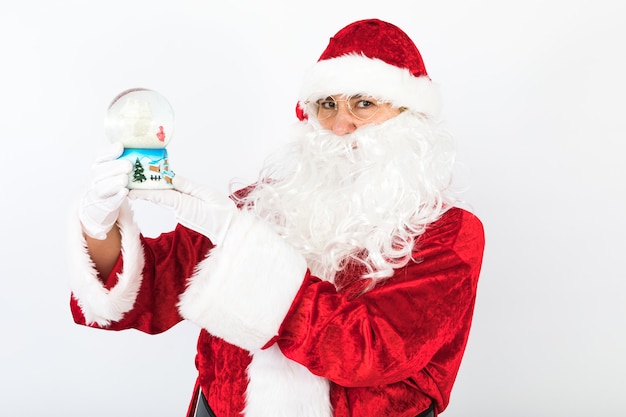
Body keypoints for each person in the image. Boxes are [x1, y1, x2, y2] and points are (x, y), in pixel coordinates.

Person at [69, 19, 485, 417]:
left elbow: (370, 350)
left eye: (363, 103)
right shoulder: (264, 202)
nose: (340, 125)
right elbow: (150, 288)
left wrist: (240, 241)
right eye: (327, 104)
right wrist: (99, 224)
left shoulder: (450, 233)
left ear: (410, 117)